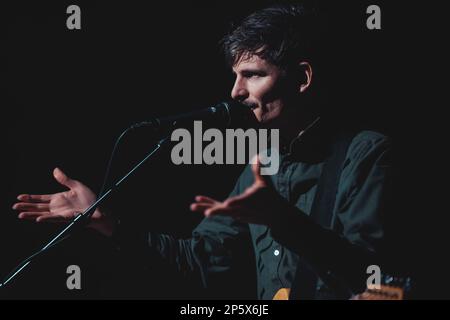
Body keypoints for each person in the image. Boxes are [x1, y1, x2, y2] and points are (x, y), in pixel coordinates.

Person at [12, 4, 392, 299]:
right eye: (234, 76)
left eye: (253, 74)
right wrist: (106, 222)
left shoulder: (364, 154)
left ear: (303, 78)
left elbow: (376, 276)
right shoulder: (262, 165)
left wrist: (283, 220)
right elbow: (202, 261)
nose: (235, 92)